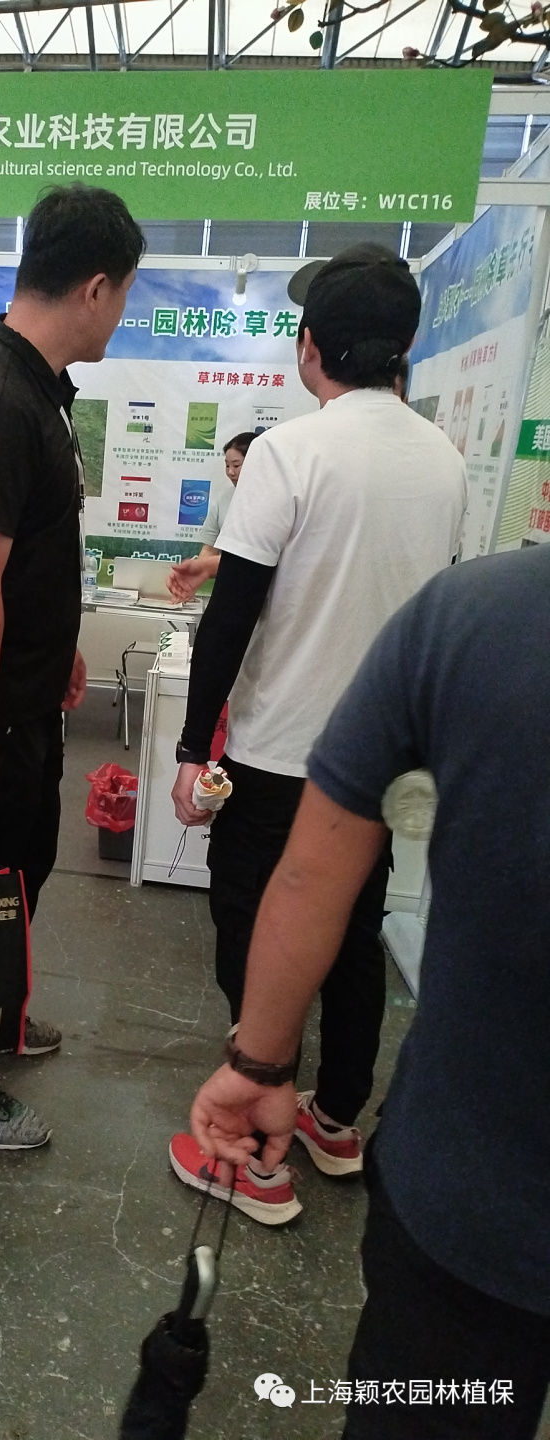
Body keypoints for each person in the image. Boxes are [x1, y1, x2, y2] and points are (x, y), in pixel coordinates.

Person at [189, 545, 550, 1438]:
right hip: (468, 1194)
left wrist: (260, 1063)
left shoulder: (477, 612)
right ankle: (336, 1118)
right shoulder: (450, 533)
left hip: (474, 1198)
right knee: (362, 948)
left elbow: (311, 878)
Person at [167, 244, 467, 1222]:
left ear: (309, 348)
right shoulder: (445, 461)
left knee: (255, 931)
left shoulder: (290, 451)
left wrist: (190, 750)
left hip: (278, 754)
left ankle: (257, 1146)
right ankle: (336, 1120)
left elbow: (231, 619)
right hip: (381, 761)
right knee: (354, 935)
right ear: (405, 346)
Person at [0, 184, 146, 1150]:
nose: (120, 315)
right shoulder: (1, 400)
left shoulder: (35, 389)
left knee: (18, 871)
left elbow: (25, 563)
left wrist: (55, 658)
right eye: (123, 295)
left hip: (19, 700)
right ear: (95, 288)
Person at [167, 431, 257, 601]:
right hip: (228, 590)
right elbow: (209, 548)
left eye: (236, 465)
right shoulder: (224, 499)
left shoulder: (274, 502)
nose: (230, 472)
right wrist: (194, 578)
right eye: (227, 465)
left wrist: (208, 566)